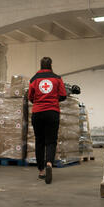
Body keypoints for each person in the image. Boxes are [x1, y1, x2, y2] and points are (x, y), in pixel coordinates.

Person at [28, 56, 67, 184]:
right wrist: (54, 99)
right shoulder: (57, 78)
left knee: (39, 141)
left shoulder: (34, 79)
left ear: (40, 65)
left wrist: (39, 101)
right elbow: (63, 95)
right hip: (52, 112)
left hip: (37, 112)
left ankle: (41, 171)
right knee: (51, 141)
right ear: (51, 65)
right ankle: (49, 163)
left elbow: (30, 97)